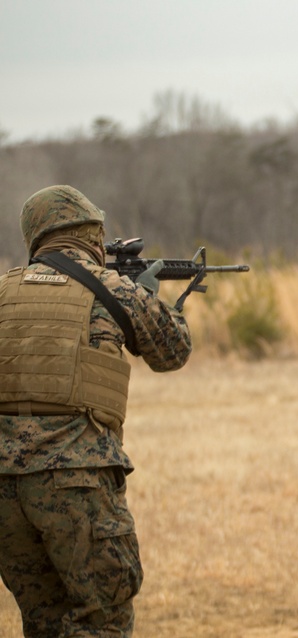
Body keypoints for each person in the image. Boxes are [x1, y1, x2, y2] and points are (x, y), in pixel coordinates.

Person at [0, 185, 192, 636]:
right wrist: (148, 299)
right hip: (77, 481)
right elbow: (173, 352)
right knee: (103, 619)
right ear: (93, 234)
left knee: (43, 620)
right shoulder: (110, 288)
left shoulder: (3, 292)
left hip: (4, 491)